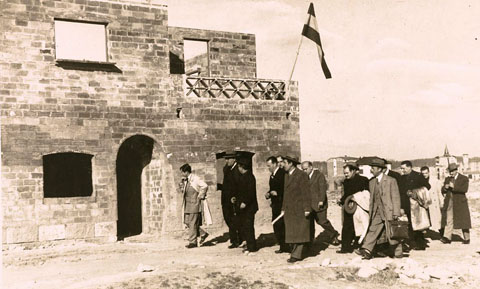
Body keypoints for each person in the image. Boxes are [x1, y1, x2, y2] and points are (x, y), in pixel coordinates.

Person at [355, 157, 403, 259]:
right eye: (371, 168)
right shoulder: (371, 182)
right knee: (372, 230)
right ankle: (367, 250)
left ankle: (398, 252)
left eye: (373, 168)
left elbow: (396, 197)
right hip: (376, 211)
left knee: (392, 233)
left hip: (389, 211)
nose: (371, 170)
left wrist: (396, 212)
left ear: (380, 169)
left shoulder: (391, 181)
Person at [301, 161, 340, 247]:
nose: (304, 171)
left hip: (319, 204)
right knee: (310, 223)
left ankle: (333, 234)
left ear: (311, 167)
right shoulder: (304, 177)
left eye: (306, 169)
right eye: (303, 169)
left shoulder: (319, 175)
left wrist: (321, 200)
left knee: (322, 221)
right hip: (309, 205)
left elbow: (322, 188)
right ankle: (310, 241)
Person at [282, 156, 311, 263]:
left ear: (291, 164)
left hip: (299, 208)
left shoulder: (301, 175)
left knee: (300, 232)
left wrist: (307, 208)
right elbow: (285, 193)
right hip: (290, 209)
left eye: (284, 162)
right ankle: (296, 252)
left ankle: (296, 255)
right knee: (292, 232)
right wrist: (283, 208)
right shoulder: (286, 175)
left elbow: (306, 193)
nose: (283, 165)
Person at [337, 163, 369, 253]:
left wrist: (356, 198)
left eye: (347, 173)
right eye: (344, 173)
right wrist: (342, 200)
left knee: (361, 226)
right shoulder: (346, 182)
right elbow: (346, 194)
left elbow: (367, 194)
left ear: (354, 171)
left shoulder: (363, 180)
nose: (345, 175)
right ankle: (345, 247)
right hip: (349, 208)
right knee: (347, 226)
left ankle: (360, 246)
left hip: (360, 207)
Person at [399, 160, 431, 250]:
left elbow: (427, 186)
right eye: (401, 168)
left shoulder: (418, 176)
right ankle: (411, 243)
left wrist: (415, 192)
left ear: (409, 167)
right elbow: (401, 192)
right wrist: (401, 206)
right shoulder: (402, 178)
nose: (402, 170)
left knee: (418, 224)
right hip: (406, 204)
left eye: (404, 168)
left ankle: (420, 244)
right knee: (408, 224)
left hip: (417, 205)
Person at [440, 163, 471, 244]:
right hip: (449, 202)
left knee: (463, 220)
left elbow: (465, 189)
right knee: (448, 219)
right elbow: (442, 190)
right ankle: (447, 237)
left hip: (460, 202)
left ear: (456, 170)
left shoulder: (464, 178)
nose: (451, 173)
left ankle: (467, 238)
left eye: (452, 171)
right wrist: (445, 188)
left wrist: (454, 187)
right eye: (450, 172)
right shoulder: (447, 179)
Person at [179, 164, 209, 248]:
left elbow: (205, 186)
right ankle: (202, 233)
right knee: (187, 222)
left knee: (192, 223)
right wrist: (181, 186)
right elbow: (184, 192)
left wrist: (201, 195)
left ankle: (193, 242)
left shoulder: (195, 179)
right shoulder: (185, 180)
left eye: (182, 172)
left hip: (194, 204)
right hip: (187, 205)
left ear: (186, 172)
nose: (181, 174)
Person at [234, 159, 259, 254]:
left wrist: (244, 202)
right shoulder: (244, 176)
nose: (238, 169)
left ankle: (252, 247)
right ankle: (249, 244)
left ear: (242, 167)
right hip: (244, 207)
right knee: (245, 226)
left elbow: (250, 193)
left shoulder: (249, 177)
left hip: (249, 207)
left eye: (239, 167)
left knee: (248, 226)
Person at [265, 156, 289, 253]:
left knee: (281, 225)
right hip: (275, 204)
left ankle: (285, 246)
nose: (268, 168)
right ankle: (283, 246)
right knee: (276, 225)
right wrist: (269, 193)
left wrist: (277, 193)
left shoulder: (282, 174)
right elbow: (273, 188)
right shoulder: (272, 175)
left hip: (282, 204)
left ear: (275, 164)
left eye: (269, 166)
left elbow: (286, 189)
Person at [221, 151, 242, 248]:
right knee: (228, 219)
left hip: (233, 200)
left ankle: (237, 240)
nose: (226, 161)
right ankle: (235, 239)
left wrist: (236, 198)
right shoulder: (228, 169)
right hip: (226, 200)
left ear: (234, 159)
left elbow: (239, 186)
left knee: (235, 220)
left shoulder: (238, 169)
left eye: (228, 159)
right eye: (226, 159)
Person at [421, 166, 444, 234]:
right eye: (423, 173)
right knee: (427, 219)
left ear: (429, 172)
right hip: (426, 202)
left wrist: (441, 202)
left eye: (426, 173)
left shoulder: (435, 181)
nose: (425, 175)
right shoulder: (421, 181)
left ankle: (442, 234)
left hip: (434, 202)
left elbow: (439, 192)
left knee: (438, 219)